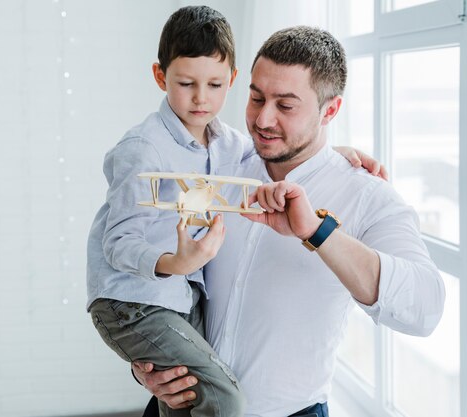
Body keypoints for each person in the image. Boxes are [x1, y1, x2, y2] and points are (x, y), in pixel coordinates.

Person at [133, 26, 446, 417]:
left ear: (329, 111)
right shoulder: (217, 164)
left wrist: (318, 232)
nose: (263, 119)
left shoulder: (368, 195)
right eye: (256, 97)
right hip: (178, 408)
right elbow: (152, 259)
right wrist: (146, 364)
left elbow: (426, 308)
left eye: (286, 105)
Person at [86, 7, 382, 417]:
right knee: (223, 398)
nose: (201, 98)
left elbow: (295, 150)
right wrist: (173, 262)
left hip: (181, 301)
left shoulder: (230, 146)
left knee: (187, 398)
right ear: (160, 77)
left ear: (232, 80)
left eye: (215, 85)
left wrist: (337, 154)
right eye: (186, 84)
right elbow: (117, 242)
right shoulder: (142, 149)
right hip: (135, 300)